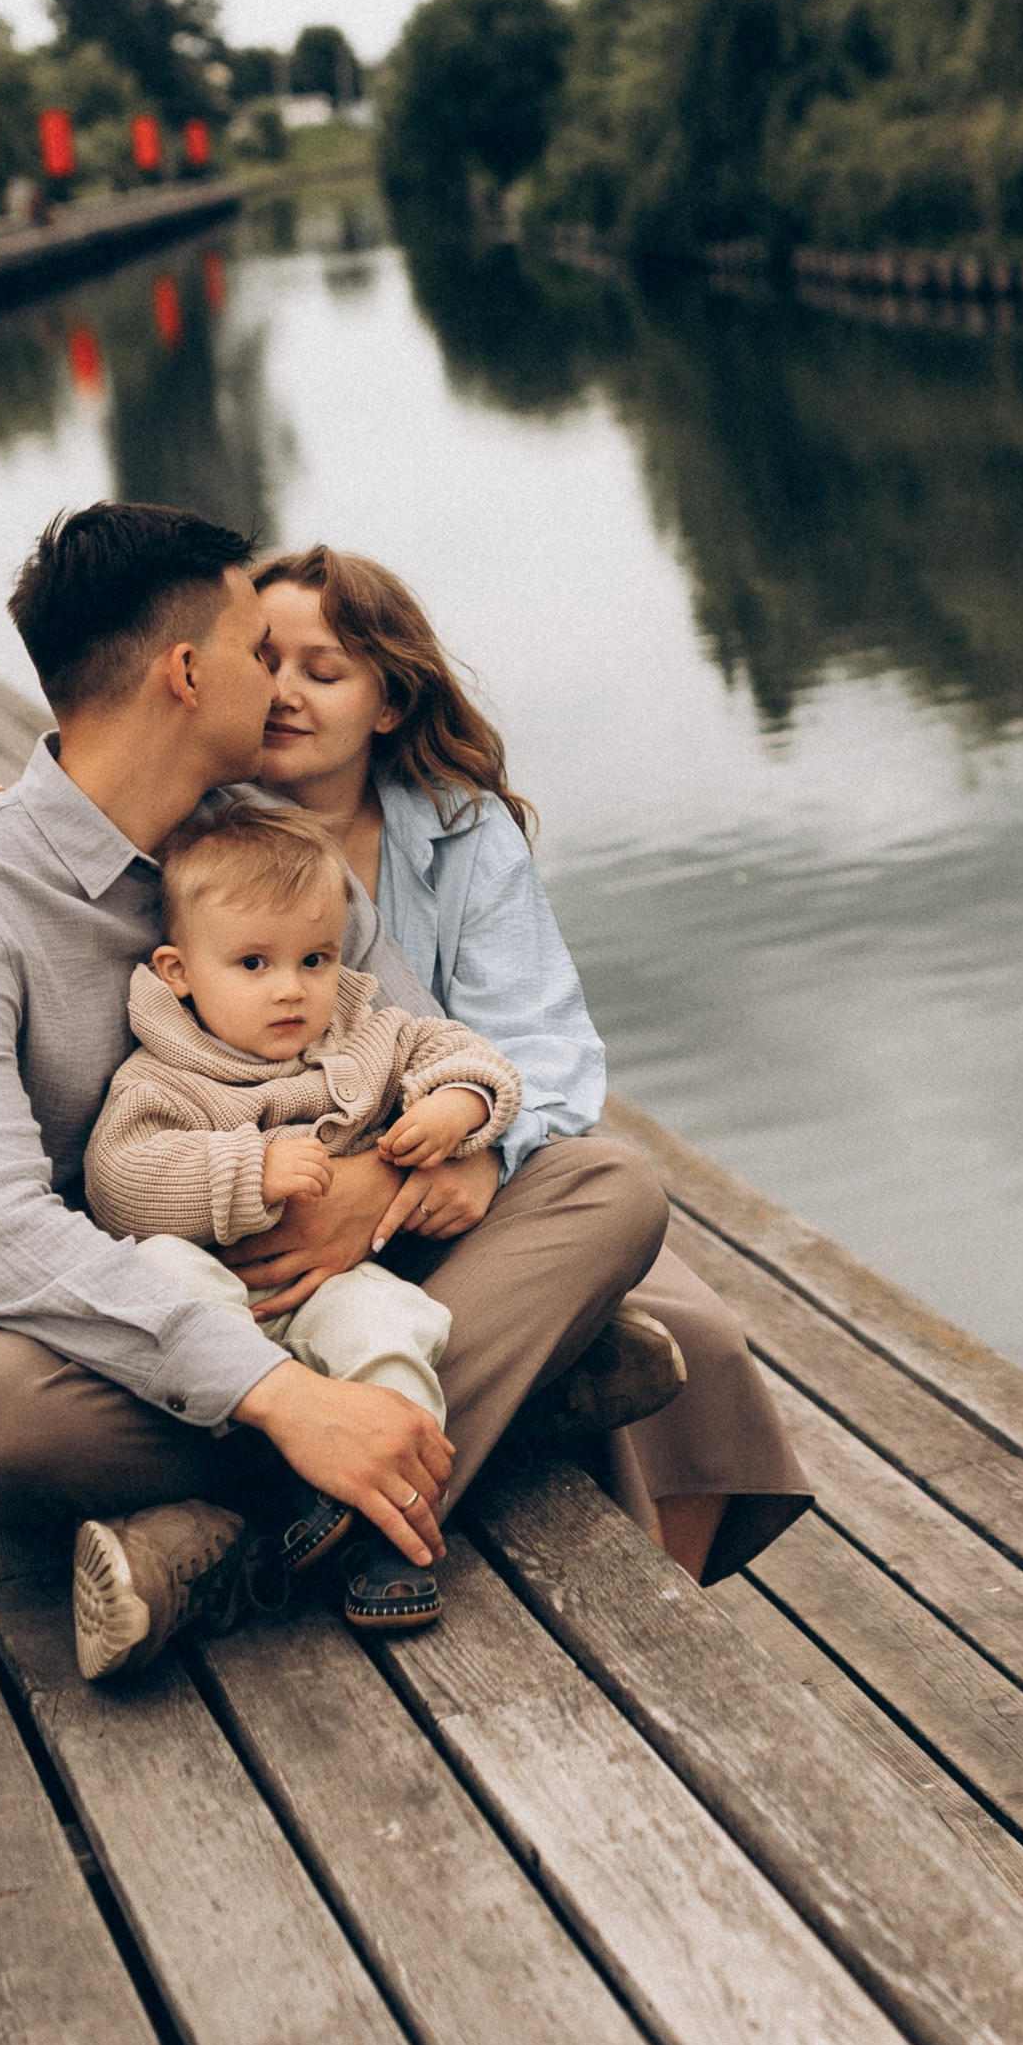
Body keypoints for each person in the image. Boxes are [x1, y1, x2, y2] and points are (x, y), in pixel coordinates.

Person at [0, 503, 679, 1681]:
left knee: (608, 1186)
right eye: (257, 652)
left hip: (305, 1270)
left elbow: (412, 1035)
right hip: (44, 1330)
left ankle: (233, 1542)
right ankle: (449, 1422)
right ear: (187, 674)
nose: (280, 686)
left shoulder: (265, 850)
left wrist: (376, 1179)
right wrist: (279, 1393)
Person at [248, 543, 810, 1583]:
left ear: (386, 700)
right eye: (262, 660)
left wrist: (482, 1151)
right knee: (596, 1329)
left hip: (469, 1155)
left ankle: (658, 1606)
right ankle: (343, 1505)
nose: (282, 691)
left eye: (321, 670)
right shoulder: (206, 831)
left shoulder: (460, 826)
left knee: (698, 1341)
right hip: (300, 1193)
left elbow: (545, 1045)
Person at [85, 793, 578, 1642]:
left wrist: (457, 1107)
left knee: (388, 1324)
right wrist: (250, 1166)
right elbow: (119, 1184)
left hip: (329, 1287)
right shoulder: (161, 1073)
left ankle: (391, 1522)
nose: (292, 990)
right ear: (178, 972)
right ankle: (301, 1487)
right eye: (253, 965)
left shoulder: (362, 1029)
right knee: (161, 1278)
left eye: (314, 959)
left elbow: (461, 1050)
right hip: (221, 1313)